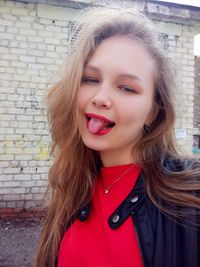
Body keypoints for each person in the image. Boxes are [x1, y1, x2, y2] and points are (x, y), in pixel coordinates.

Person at [35, 7, 200, 267]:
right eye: (90, 79)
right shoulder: (72, 183)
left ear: (152, 113)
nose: (100, 98)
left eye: (126, 87)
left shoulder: (190, 195)